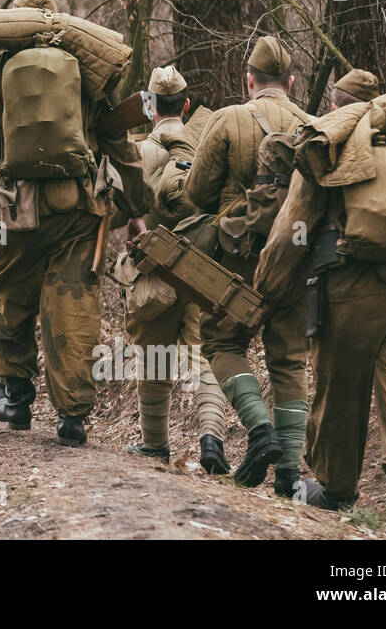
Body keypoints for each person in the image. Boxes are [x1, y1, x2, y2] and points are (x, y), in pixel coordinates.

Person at [255, 80, 386, 527]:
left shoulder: (323, 149)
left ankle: (335, 490)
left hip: (347, 291)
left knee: (339, 392)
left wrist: (269, 292)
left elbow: (291, 232)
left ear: (336, 109)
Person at [0, 0, 150, 446]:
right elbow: (115, 137)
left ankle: (17, 397)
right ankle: (72, 416)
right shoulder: (90, 63)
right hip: (79, 206)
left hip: (13, 205)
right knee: (73, 302)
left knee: (11, 294)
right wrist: (137, 201)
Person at [185, 35, 312, 493]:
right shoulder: (314, 126)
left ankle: (260, 430)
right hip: (294, 258)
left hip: (237, 259)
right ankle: (290, 476)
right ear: (291, 82)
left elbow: (196, 195)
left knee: (221, 342)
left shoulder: (227, 119)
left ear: (249, 80)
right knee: (290, 361)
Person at [121, 66, 229, 471]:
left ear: (149, 107)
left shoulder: (140, 152)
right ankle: (211, 439)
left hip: (156, 269)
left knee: (154, 354)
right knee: (206, 354)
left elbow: (121, 207)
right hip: (204, 268)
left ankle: (155, 444)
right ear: (186, 105)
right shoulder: (206, 145)